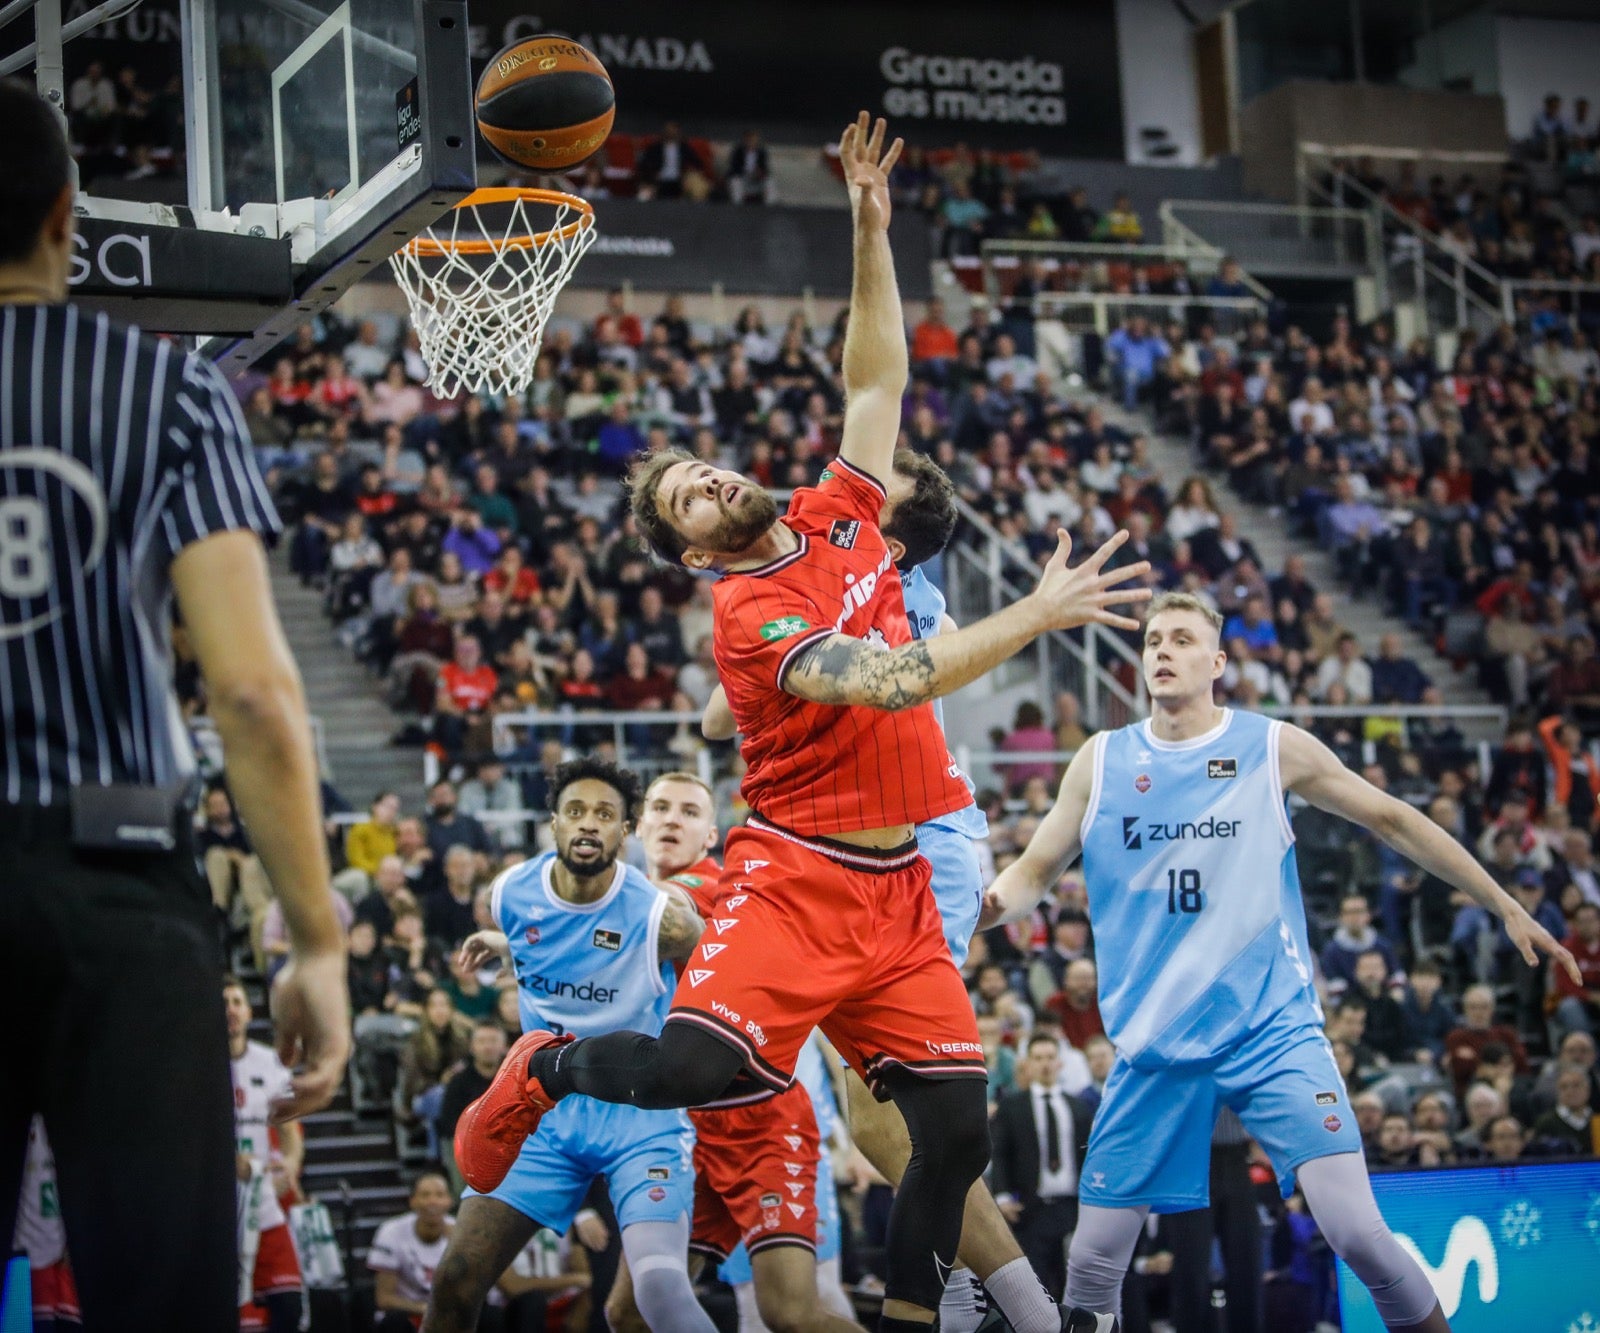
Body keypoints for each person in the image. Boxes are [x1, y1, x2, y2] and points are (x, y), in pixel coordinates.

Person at [452, 113, 1149, 1333]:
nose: (713, 479)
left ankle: (912, 1318)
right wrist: (1038, 613)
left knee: (955, 1130)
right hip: (796, 876)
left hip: (895, 894)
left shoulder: (837, 510)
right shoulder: (748, 610)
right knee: (686, 1070)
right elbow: (887, 684)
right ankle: (545, 1065)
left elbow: (874, 375)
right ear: (687, 548)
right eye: (687, 498)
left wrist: (868, 231)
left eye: (705, 468)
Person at [981, 590, 1578, 1332]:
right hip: (1154, 1045)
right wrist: (987, 904)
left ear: (1218, 661)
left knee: (1358, 1232)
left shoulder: (1270, 746)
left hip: (1271, 1030)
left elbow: (1391, 816)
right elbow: (1034, 871)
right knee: (1094, 1259)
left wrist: (1503, 901)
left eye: (1181, 640)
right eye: (1153, 640)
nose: (1162, 651)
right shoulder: (1100, 761)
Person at [0, 82, 347, 1332]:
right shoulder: (170, 394)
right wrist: (314, 936)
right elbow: (251, 689)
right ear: (63, 218)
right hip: (124, 877)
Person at [700, 447, 1093, 1333]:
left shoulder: (888, 596)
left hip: (911, 844)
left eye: (873, 506)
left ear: (892, 545)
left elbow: (716, 717)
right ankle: (981, 1301)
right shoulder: (879, 587)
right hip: (886, 845)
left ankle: (1024, 1310)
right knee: (896, 1119)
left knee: (885, 1119)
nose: (845, 500)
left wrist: (753, 608)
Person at [426, 760, 711, 1333]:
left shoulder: (665, 920)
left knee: (656, 1294)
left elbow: (721, 979)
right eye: (575, 812)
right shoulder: (509, 893)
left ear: (625, 832)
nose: (588, 825)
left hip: (641, 1120)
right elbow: (556, 936)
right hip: (542, 1116)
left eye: (605, 814)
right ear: (552, 824)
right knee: (455, 1279)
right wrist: (506, 945)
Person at [606, 771, 855, 1333]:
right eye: (661, 808)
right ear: (638, 825)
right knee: (630, 1312)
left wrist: (555, 898)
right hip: (682, 1133)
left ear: (710, 837)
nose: (672, 819)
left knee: (790, 1312)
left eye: (689, 812)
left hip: (760, 1123)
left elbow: (664, 909)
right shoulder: (623, 917)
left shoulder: (708, 885)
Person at [225, 976, 305, 1333]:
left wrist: (288, 1165)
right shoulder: (191, 1063)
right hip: (216, 1203)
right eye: (223, 1002)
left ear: (248, 1010)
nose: (230, 1010)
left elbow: (289, 1129)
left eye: (237, 1002)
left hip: (261, 1197)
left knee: (288, 1302)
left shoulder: (269, 1062)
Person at [990, 1033, 1095, 1301]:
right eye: (1038, 1058)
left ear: (1059, 1063)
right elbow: (1000, 1153)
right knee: (1033, 1288)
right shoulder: (1013, 1106)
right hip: (1030, 1208)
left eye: (1050, 1057)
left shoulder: (1078, 1107)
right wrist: (1002, 1196)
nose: (1045, 1064)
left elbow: (1089, 1155)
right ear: (1028, 1064)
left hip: (1071, 1207)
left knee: (1072, 1285)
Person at [372, 1171, 456, 1330]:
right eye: (425, 1195)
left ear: (449, 1201)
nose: (433, 1201)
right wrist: (427, 1310)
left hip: (449, 1313)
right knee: (393, 1322)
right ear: (413, 1201)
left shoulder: (460, 1232)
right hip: (407, 1315)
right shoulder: (390, 1232)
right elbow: (384, 1298)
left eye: (439, 1195)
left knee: (487, 1314)